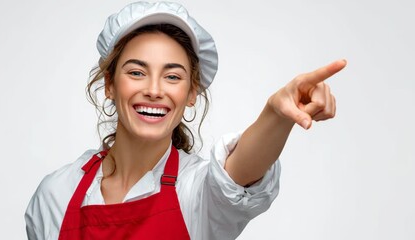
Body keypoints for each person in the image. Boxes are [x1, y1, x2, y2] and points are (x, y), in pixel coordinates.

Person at [25, 1, 346, 240]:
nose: (153, 90)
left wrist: (275, 113)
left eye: (172, 76)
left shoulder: (197, 193)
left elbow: (239, 172)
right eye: (136, 72)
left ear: (192, 92)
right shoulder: (57, 194)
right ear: (110, 84)